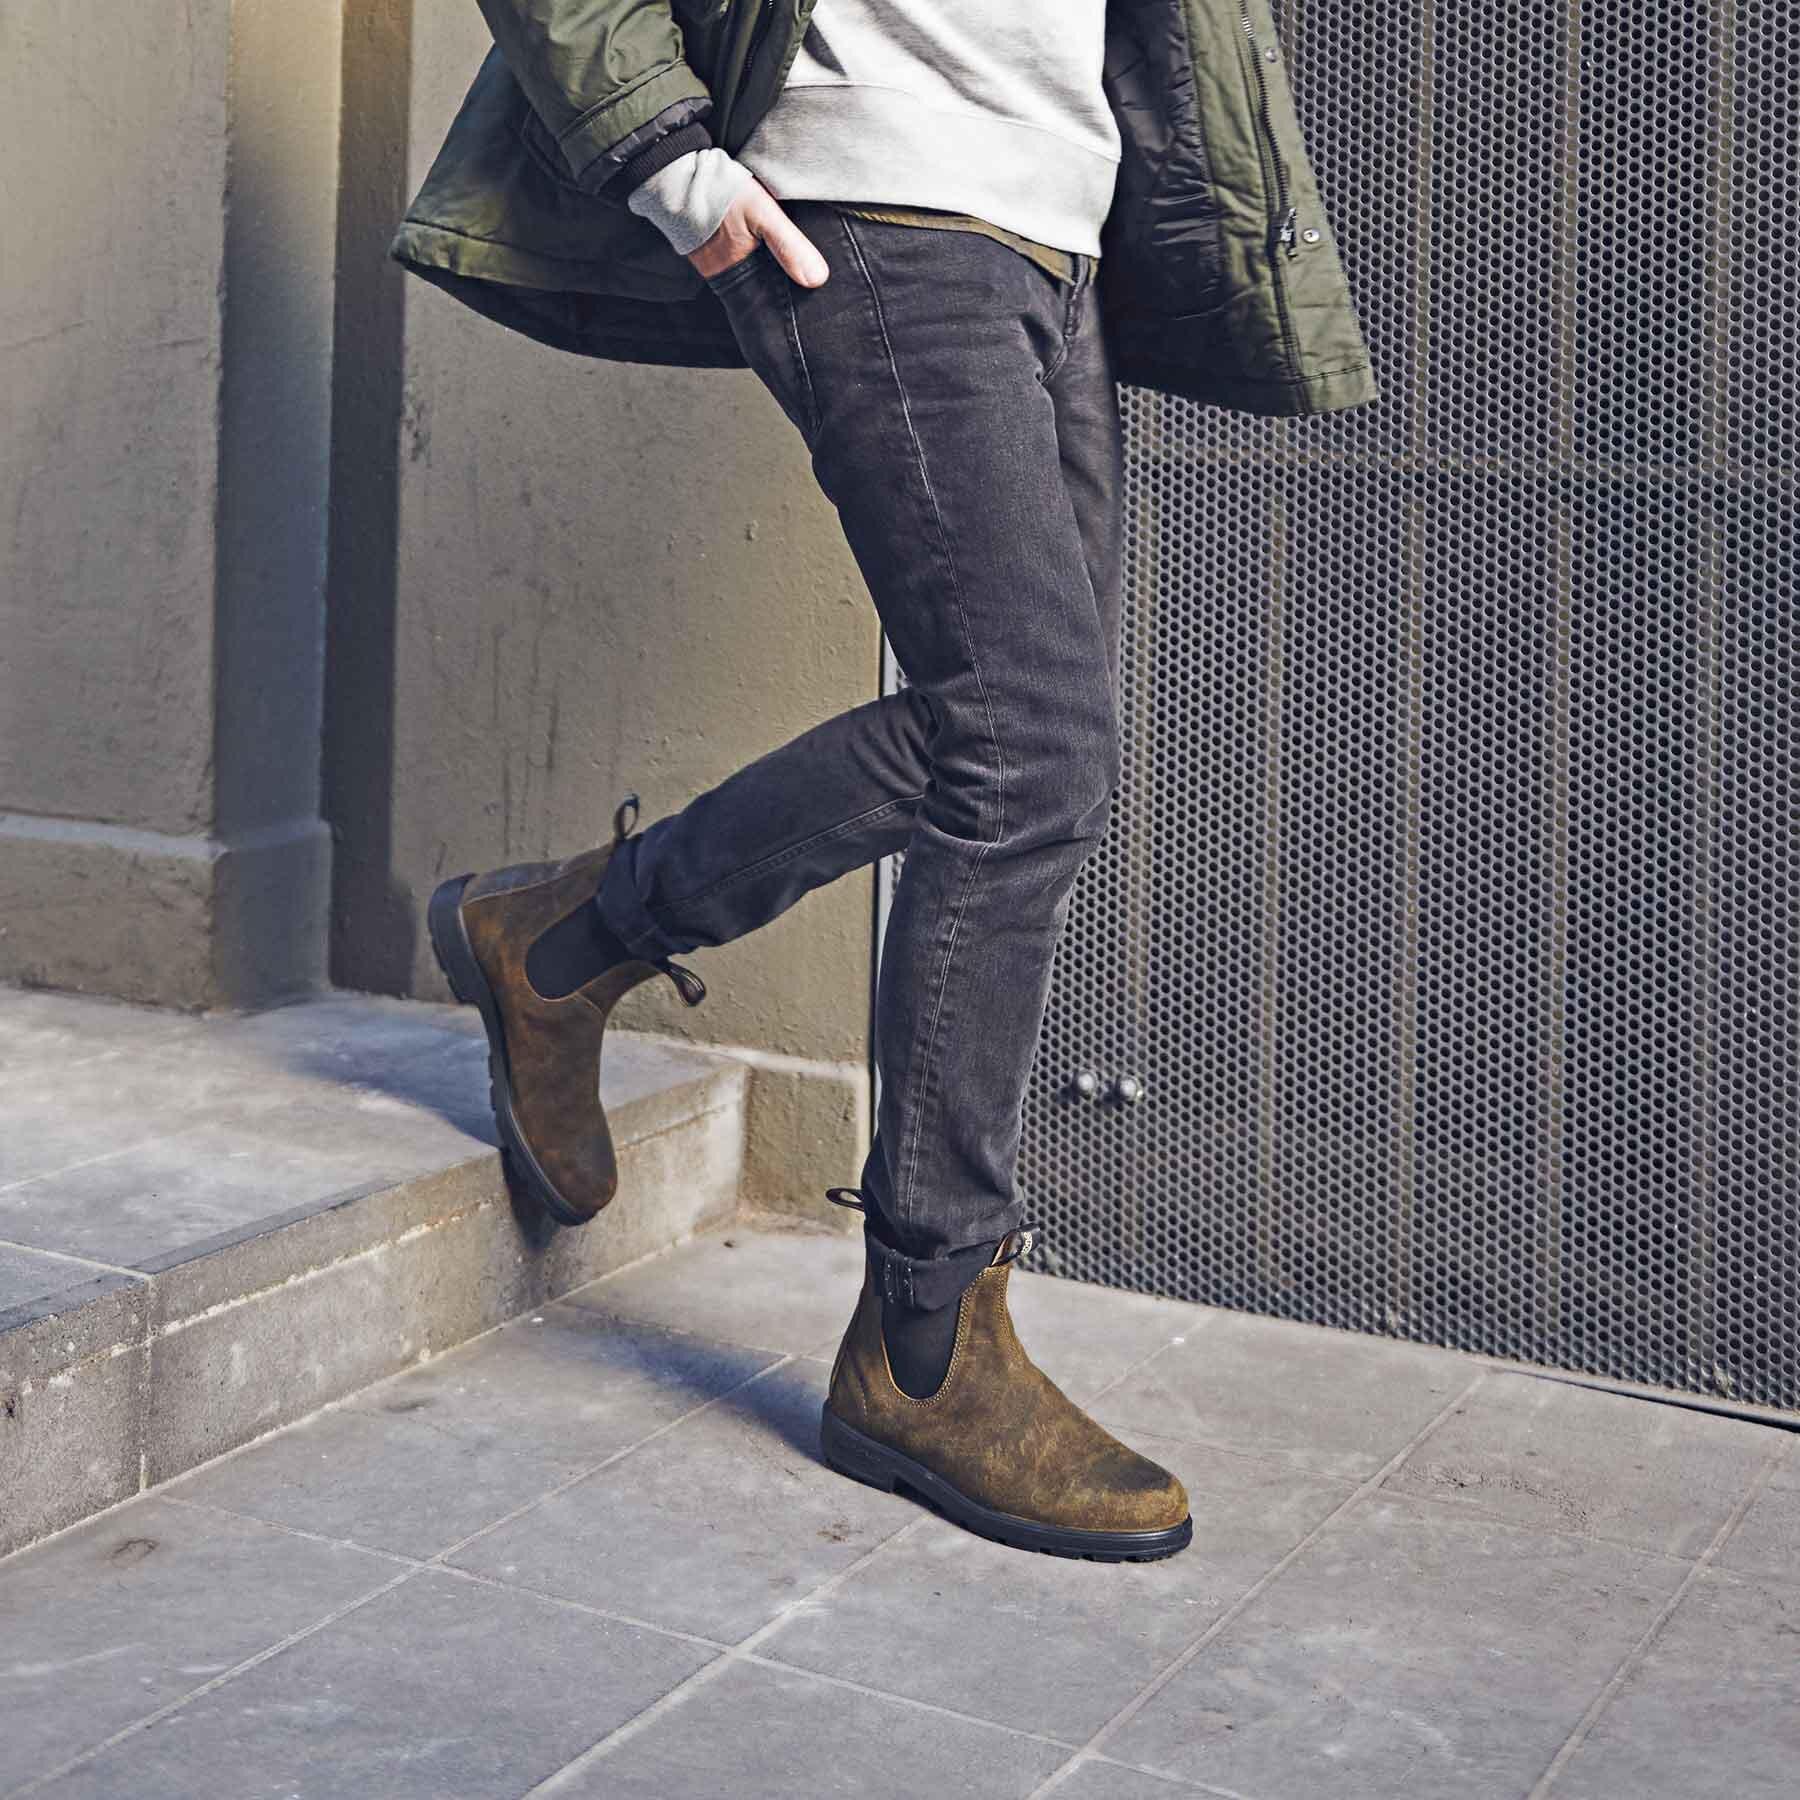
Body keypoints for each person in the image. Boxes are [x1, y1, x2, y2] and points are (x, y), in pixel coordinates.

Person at [402, 0, 1379, 1564]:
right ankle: (924, 1343)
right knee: (1027, 740)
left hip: (1058, 227)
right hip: (880, 198)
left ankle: (562, 942)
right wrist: (671, 166)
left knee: (1034, 755)